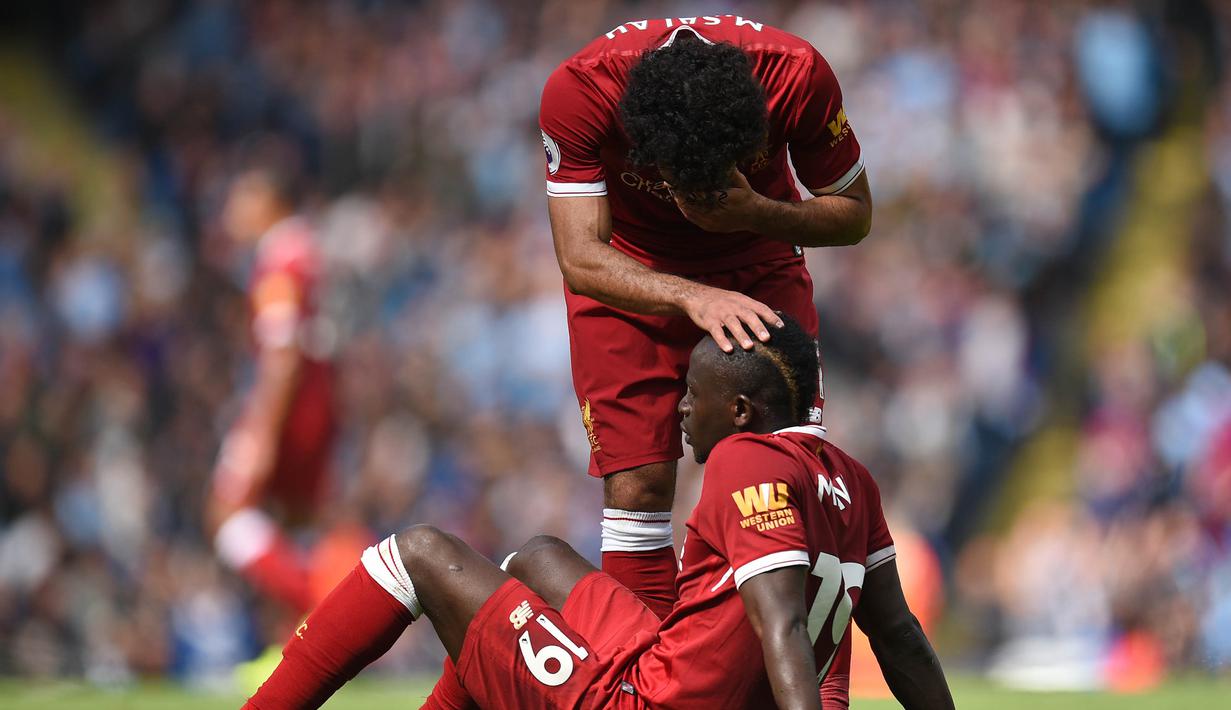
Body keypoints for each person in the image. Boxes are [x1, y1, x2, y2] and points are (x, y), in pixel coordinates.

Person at [242, 316, 952, 710]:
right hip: (668, 668)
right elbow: (900, 639)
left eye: (693, 394)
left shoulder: (744, 459)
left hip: (649, 707)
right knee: (537, 558)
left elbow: (781, 624)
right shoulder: (852, 480)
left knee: (418, 552)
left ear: (739, 411)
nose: (679, 408)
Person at [540, 14, 873, 619]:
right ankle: (645, 683)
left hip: (758, 257)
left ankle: (790, 682)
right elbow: (580, 256)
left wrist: (756, 211)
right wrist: (693, 296)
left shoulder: (796, 74)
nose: (690, 201)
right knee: (637, 488)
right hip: (630, 273)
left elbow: (853, 213)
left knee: (784, 474)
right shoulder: (580, 89)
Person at [207, 153, 339, 616]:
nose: (232, 210)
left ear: (271, 202)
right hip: (320, 400)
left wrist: (261, 429)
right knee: (294, 523)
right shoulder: (307, 248)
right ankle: (292, 649)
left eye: (242, 197)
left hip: (291, 402)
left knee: (227, 511)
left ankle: (317, 609)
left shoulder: (278, 261)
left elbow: (281, 354)